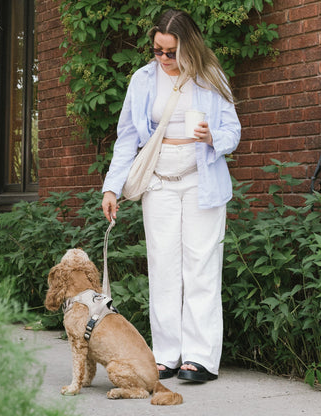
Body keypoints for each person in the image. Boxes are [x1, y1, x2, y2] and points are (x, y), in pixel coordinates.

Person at [101, 9, 241, 383]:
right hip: (159, 181)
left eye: (171, 52)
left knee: (201, 267)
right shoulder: (143, 79)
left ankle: (200, 358)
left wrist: (212, 137)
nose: (163, 59)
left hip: (201, 179)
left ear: (188, 47)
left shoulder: (211, 77)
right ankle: (166, 355)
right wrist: (112, 187)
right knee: (163, 268)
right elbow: (128, 137)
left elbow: (233, 130)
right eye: (157, 50)